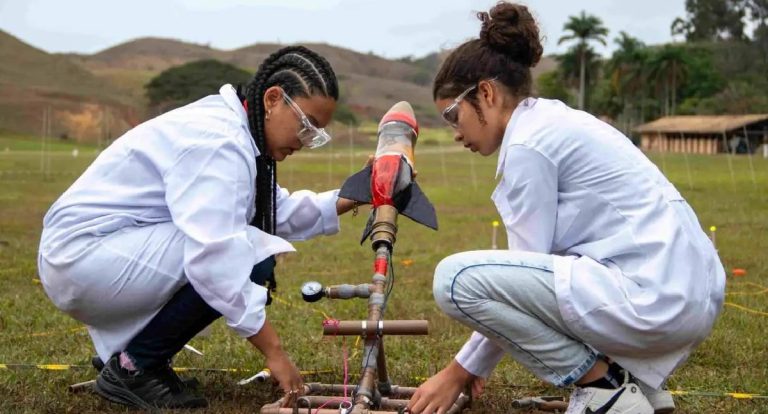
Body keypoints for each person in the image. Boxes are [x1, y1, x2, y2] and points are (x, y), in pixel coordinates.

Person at [406, 3, 725, 414]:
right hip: (690, 295)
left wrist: (457, 373)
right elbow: (533, 280)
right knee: (539, 275)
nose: (454, 133)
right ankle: (636, 387)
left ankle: (603, 387)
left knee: (455, 280)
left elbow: (520, 274)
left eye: (453, 114)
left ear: (485, 92)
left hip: (655, 298)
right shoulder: (555, 122)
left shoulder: (527, 144)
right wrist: (476, 361)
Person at [37, 46, 362, 410]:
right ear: (273, 99)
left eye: (316, 134)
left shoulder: (239, 134)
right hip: (84, 259)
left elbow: (278, 212)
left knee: (250, 246)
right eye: (307, 125)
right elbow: (215, 258)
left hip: (104, 253)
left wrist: (360, 193)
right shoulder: (219, 141)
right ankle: (134, 367)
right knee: (245, 253)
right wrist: (275, 352)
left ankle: (141, 357)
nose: (306, 141)